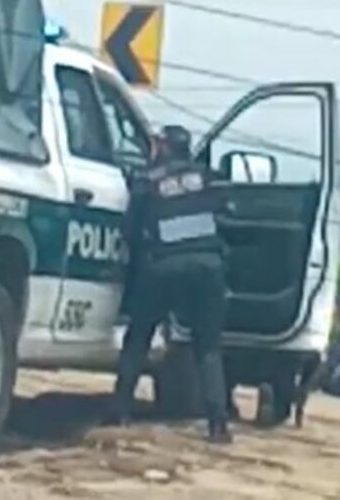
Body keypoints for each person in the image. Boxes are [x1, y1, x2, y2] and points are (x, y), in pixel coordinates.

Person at [107, 125, 233, 444]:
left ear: (163, 148)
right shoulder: (208, 177)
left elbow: (130, 231)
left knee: (139, 337)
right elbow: (228, 218)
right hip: (207, 267)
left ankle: (120, 411)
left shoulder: (147, 181)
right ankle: (218, 424)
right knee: (207, 347)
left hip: (163, 266)